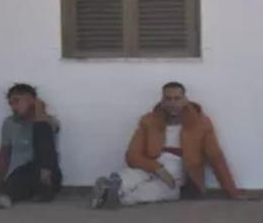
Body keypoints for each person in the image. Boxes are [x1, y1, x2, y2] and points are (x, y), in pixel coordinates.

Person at [91, 82, 248, 209]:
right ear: (162, 101)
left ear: (185, 100)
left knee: (158, 191)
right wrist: (156, 168)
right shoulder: (148, 120)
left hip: (176, 173)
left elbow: (215, 157)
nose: (173, 103)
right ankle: (112, 187)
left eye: (177, 98)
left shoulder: (201, 123)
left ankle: (112, 197)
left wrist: (232, 191)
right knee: (131, 175)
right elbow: (132, 155)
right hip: (150, 165)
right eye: (168, 99)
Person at [0, 83, 62, 209]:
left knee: (42, 130)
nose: (13, 107)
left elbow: (46, 145)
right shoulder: (9, 123)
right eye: (10, 103)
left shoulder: (49, 121)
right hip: (19, 175)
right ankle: (5, 195)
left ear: (32, 101)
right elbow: (4, 154)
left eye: (17, 101)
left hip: (47, 176)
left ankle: (41, 187)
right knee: (21, 174)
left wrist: (39, 108)